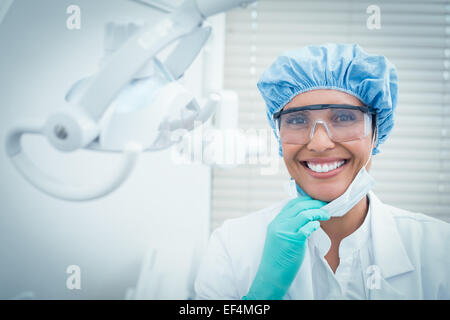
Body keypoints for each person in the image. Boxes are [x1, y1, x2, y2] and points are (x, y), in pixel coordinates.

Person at [194, 43, 450, 299]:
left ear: (376, 133)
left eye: (344, 117)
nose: (319, 143)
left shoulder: (439, 248)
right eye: (296, 120)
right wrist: (263, 294)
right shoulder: (231, 245)